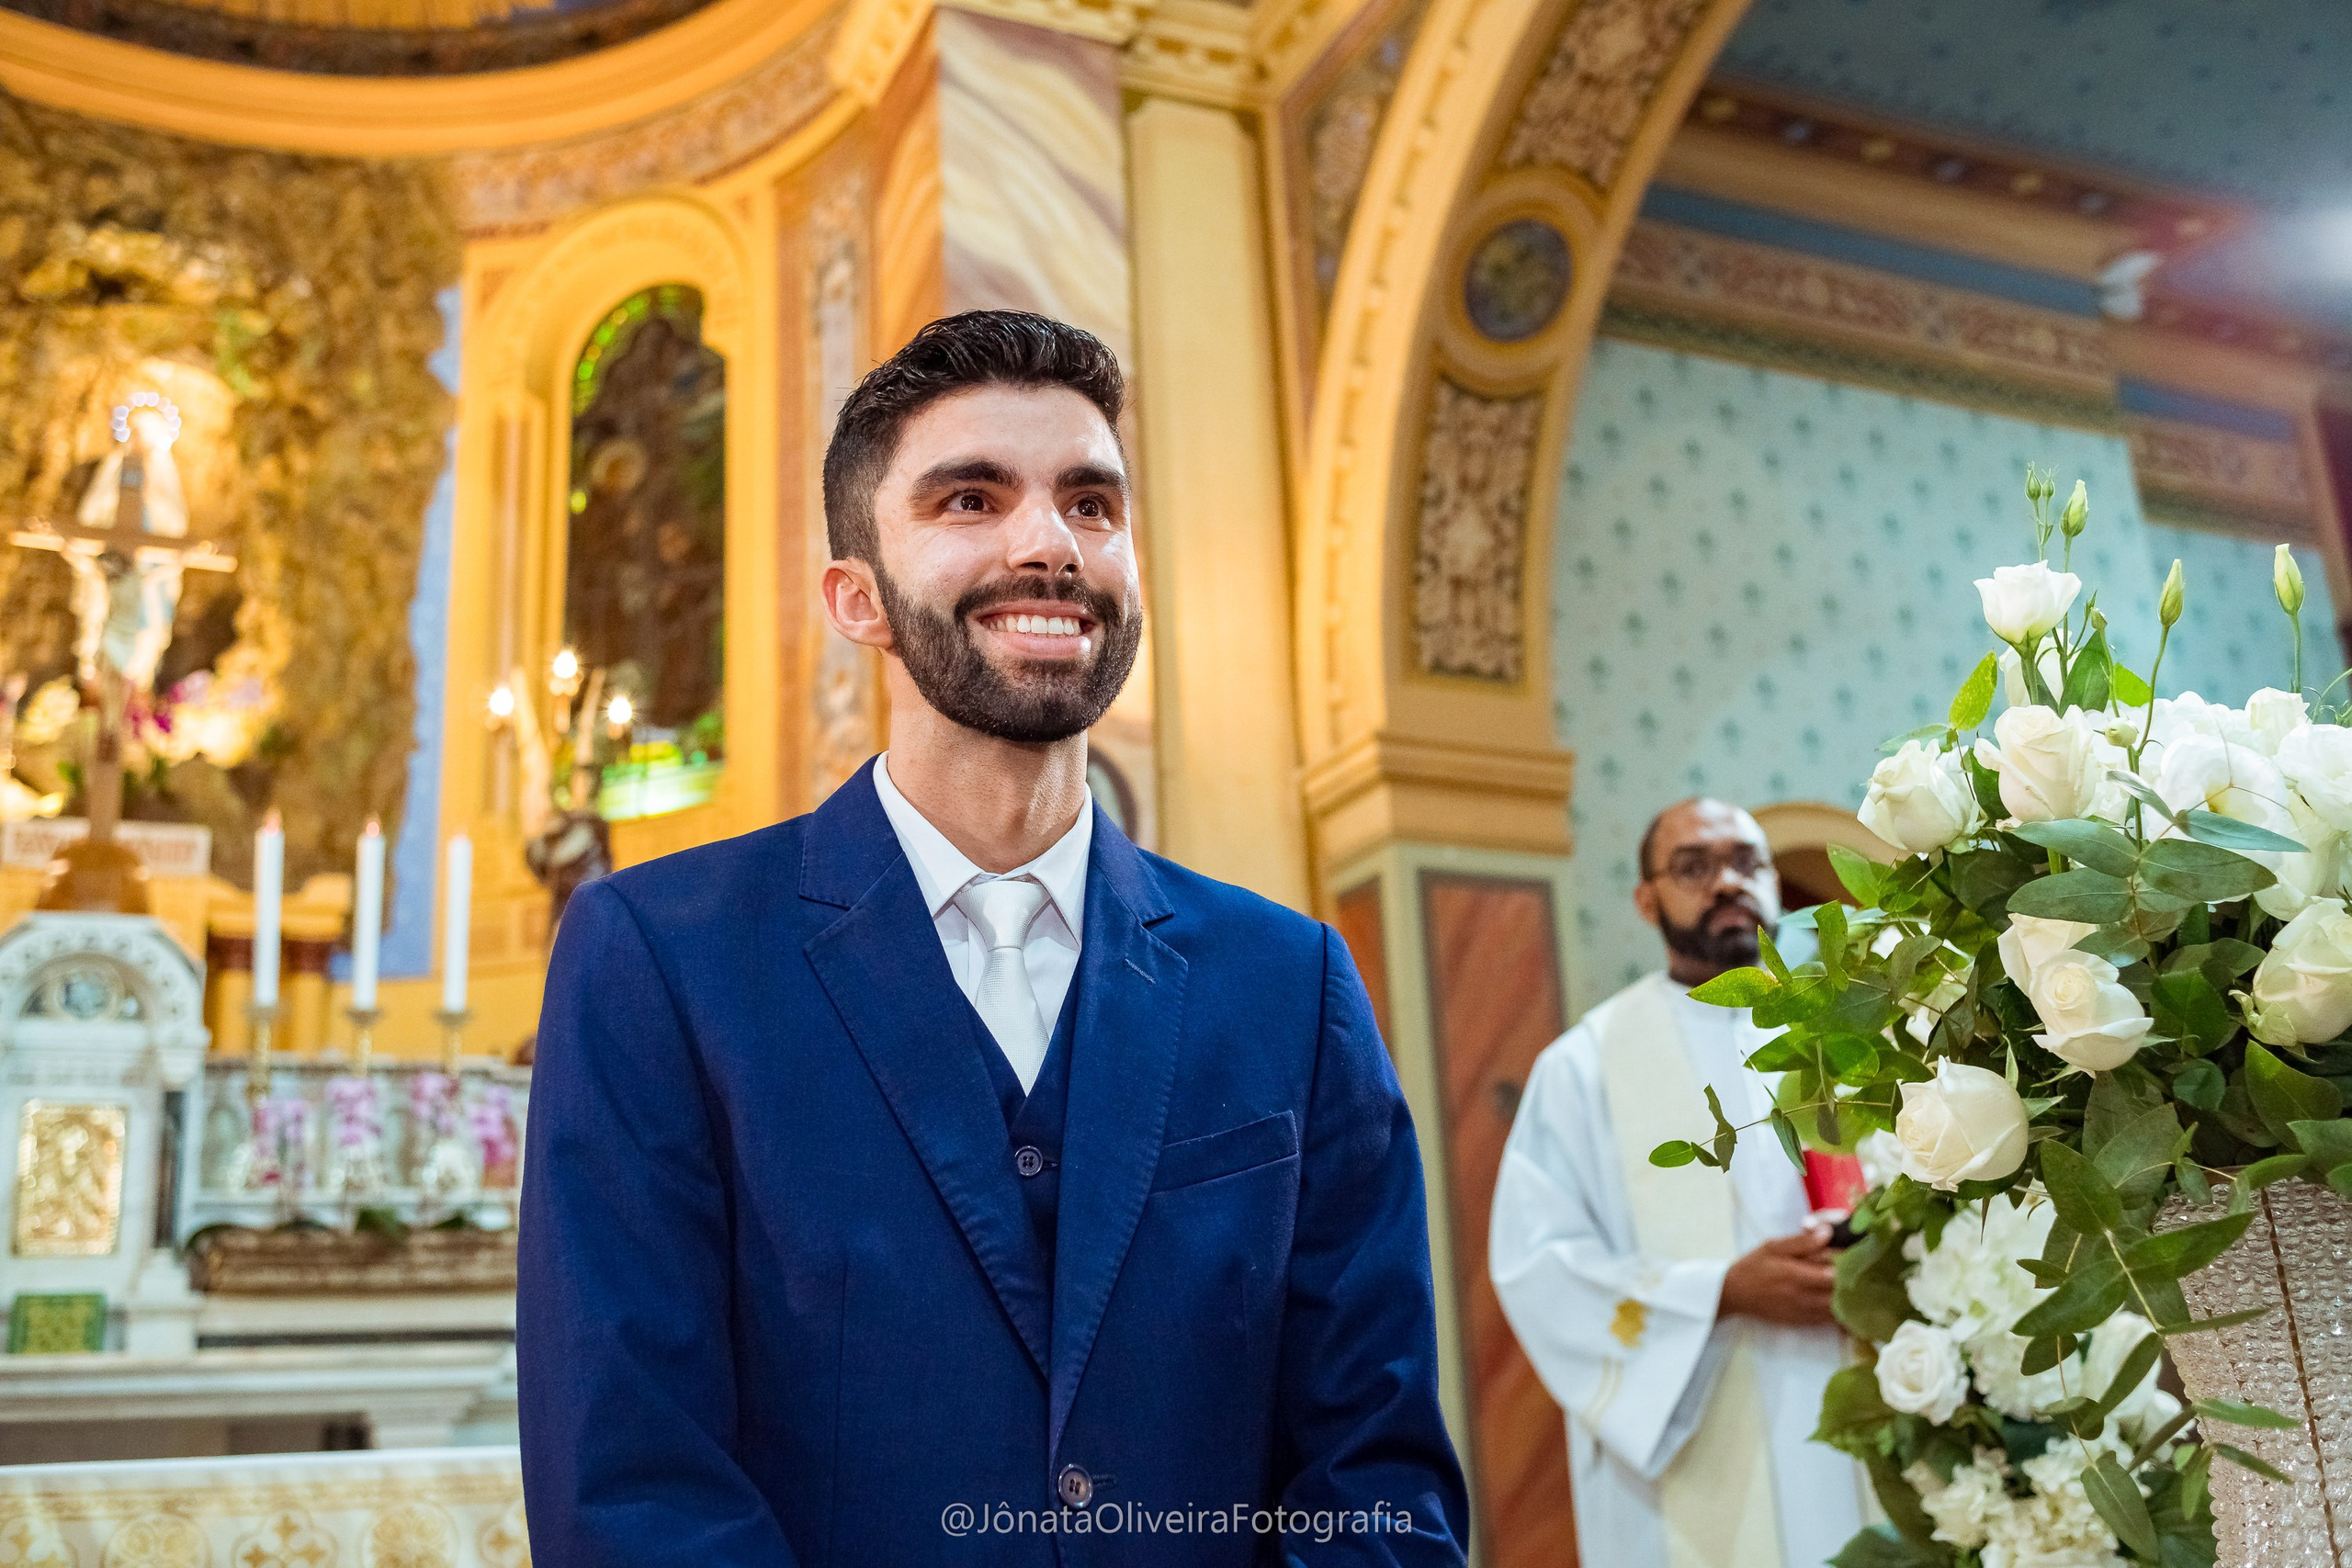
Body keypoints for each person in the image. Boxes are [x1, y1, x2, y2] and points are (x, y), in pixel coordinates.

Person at [518, 310, 1469, 1566]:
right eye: (971, 499)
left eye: (1091, 504)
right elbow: (633, 1486)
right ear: (858, 597)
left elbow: (1377, 1475)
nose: (1049, 544)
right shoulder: (657, 956)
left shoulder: (1291, 984)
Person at [1488, 798, 1869, 1568]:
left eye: (1746, 861)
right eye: (1694, 866)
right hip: (1695, 1439)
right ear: (1646, 898)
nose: (1726, 882)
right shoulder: (1584, 1065)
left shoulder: (1849, 1036)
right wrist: (1721, 1291)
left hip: (1859, 1394)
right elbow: (1540, 1266)